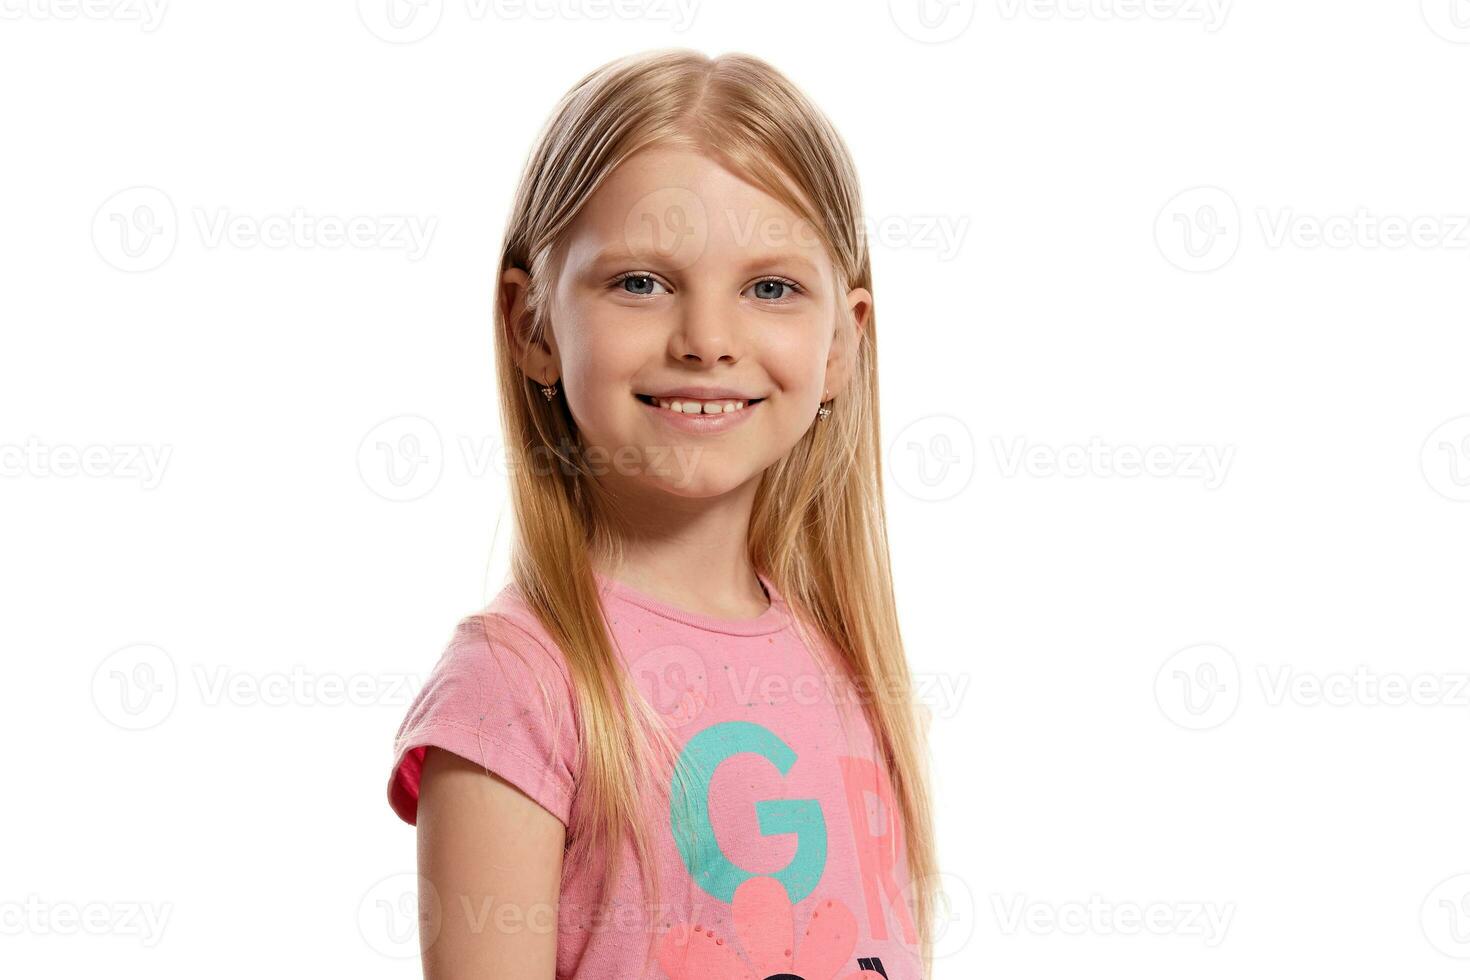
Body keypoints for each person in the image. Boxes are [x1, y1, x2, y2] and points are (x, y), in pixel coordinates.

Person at [384, 47, 939, 979]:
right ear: (533, 327)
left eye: (770, 288)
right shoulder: (519, 683)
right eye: (641, 282)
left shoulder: (842, 661)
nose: (708, 341)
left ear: (844, 344)